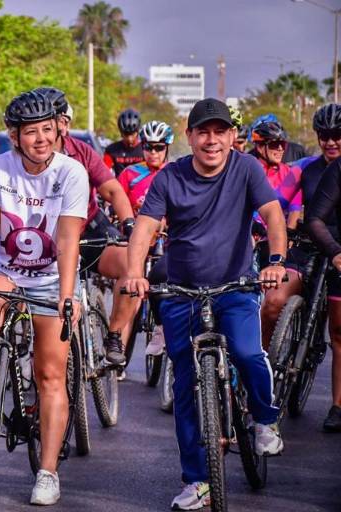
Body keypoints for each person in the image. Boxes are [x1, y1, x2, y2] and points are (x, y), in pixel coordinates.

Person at [125, 98, 285, 510]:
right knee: (184, 387)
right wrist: (135, 271)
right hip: (182, 292)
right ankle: (197, 480)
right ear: (190, 136)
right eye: (203, 132)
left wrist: (276, 261)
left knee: (249, 353)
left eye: (220, 132)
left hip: (235, 286)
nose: (211, 140)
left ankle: (265, 417)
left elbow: (271, 212)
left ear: (232, 136)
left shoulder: (246, 168)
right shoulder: (170, 178)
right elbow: (144, 227)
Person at [0, 90, 89, 505]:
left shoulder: (71, 173)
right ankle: (0, 383)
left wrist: (68, 295)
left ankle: (47, 472)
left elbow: (67, 238)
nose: (41, 139)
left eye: (48, 130)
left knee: (51, 374)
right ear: (15, 136)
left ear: (57, 130)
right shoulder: (0, 166)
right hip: (6, 270)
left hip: (52, 276)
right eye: (32, 133)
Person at [35, 87, 139, 365]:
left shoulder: (82, 152)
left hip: (90, 229)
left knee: (132, 266)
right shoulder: (27, 156)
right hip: (44, 238)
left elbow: (114, 192)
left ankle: (115, 334)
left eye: (60, 121)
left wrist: (129, 225)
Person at [117, 120, 174, 357]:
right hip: (134, 240)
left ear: (167, 148)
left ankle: (161, 328)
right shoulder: (130, 173)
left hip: (164, 238)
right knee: (126, 292)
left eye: (159, 148)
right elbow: (118, 203)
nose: (153, 153)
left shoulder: (174, 172)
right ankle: (118, 350)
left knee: (161, 285)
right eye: (148, 147)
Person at [301, 103, 341, 432]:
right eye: (324, 136)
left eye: (337, 135)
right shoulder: (309, 169)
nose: (330, 141)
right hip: (320, 250)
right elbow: (298, 212)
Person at [250, 120, 305, 348]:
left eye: (283, 143)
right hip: (251, 238)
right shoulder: (249, 167)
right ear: (260, 146)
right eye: (274, 144)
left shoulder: (289, 172)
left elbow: (294, 209)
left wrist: (288, 235)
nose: (280, 148)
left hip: (277, 241)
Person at [104, 108, 144, 177]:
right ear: (121, 133)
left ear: (137, 132)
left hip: (142, 186)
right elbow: (104, 172)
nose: (129, 138)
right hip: (119, 186)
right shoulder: (111, 150)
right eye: (126, 134)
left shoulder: (146, 148)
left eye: (132, 134)